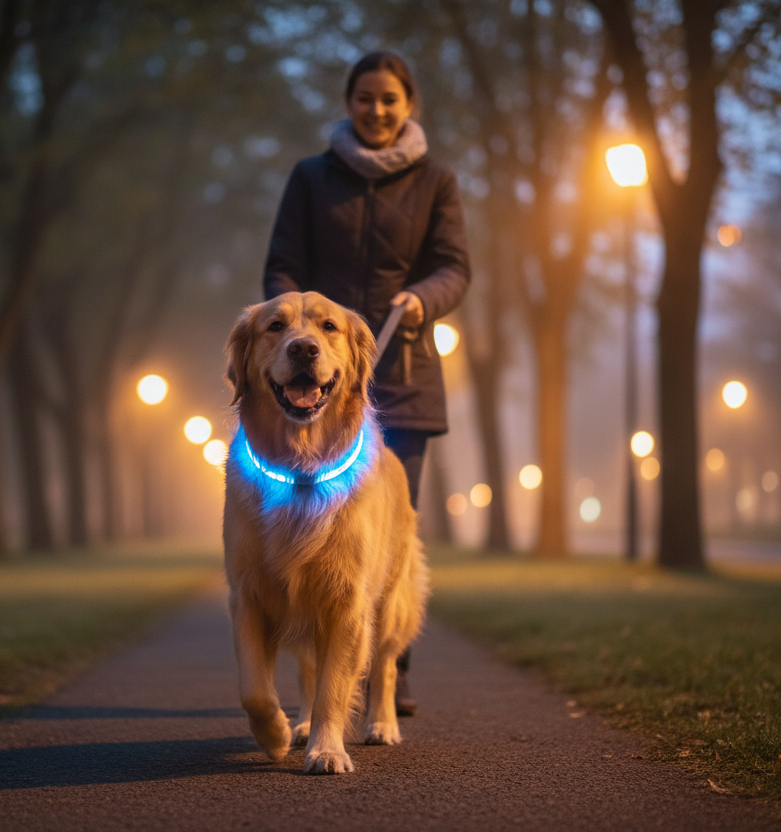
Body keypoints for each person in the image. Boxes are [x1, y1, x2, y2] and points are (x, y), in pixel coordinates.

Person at [262, 50, 471, 716]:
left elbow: (455, 267)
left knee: (389, 533)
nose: (376, 110)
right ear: (348, 103)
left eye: (389, 99)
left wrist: (421, 299)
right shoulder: (311, 178)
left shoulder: (436, 181)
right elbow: (282, 268)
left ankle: (390, 666)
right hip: (313, 385)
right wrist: (298, 331)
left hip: (401, 378)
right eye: (364, 98)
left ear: (408, 105)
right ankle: (318, 665)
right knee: (312, 527)